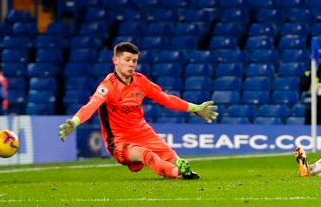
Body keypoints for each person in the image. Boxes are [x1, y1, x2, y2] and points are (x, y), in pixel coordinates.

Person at [58, 42, 218, 179]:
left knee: (171, 156)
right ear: (115, 60)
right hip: (119, 141)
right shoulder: (108, 87)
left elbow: (167, 99)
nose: (131, 64)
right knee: (146, 154)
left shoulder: (140, 81)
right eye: (127, 60)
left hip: (143, 133)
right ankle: (178, 173)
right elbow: (91, 105)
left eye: (134, 61)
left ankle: (183, 169)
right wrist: (75, 121)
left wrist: (196, 108)